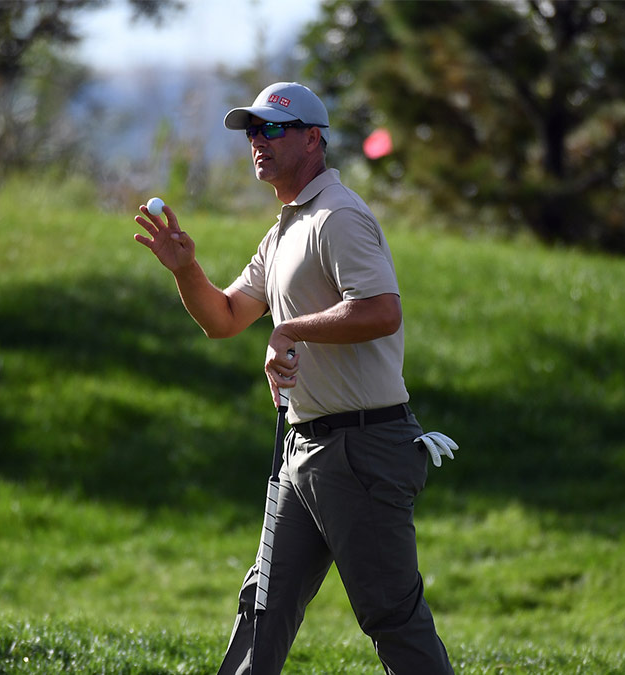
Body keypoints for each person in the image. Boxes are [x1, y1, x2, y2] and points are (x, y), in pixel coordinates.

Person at [133, 81, 455, 675]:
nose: (259, 141)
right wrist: (186, 270)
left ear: (313, 138)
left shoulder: (339, 217)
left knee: (391, 617)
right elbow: (226, 317)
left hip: (363, 447)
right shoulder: (284, 229)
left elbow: (382, 309)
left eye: (272, 129)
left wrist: (292, 330)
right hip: (303, 448)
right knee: (263, 607)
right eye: (253, 131)